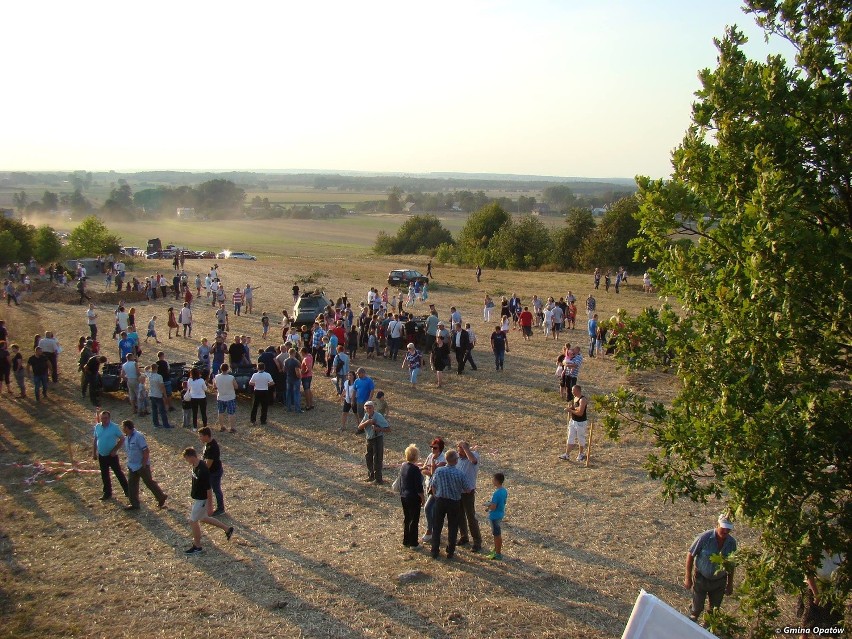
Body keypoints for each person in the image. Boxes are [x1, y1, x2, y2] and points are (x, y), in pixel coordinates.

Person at [181, 447, 233, 555]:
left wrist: (210, 506)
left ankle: (197, 546)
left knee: (193, 521)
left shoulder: (202, 470)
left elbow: (209, 489)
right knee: (203, 518)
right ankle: (227, 529)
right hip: (198, 498)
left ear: (191, 457)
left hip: (202, 500)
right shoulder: (195, 465)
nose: (186, 461)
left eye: (186, 459)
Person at [685, 515, 737, 622]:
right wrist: (688, 577)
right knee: (696, 608)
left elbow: (731, 564)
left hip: (719, 582)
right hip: (701, 579)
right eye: (723, 527)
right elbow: (690, 555)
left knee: (714, 611)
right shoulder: (704, 538)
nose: (726, 531)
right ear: (717, 524)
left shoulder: (731, 543)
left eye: (728, 529)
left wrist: (730, 583)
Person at [122, 419, 168, 511]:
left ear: (127, 427)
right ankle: (134, 504)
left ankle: (161, 497)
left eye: (123, 427)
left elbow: (146, 450)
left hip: (141, 465)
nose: (122, 429)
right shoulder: (127, 438)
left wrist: (143, 463)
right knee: (132, 485)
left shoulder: (138, 436)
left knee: (149, 482)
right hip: (132, 465)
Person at [429, 450, 466, 560]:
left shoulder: (439, 471)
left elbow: (432, 484)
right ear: (455, 461)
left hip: (440, 501)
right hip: (454, 502)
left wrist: (436, 495)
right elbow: (467, 488)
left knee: (437, 526)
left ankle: (434, 550)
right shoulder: (460, 474)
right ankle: (450, 551)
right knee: (453, 527)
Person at [92, 409, 130, 501]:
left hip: (112, 456)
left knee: (118, 473)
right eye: (102, 418)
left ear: (109, 418)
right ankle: (107, 493)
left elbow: (122, 439)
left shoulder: (114, 427)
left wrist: (115, 450)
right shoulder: (97, 427)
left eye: (106, 418)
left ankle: (127, 491)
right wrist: (94, 452)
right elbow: (95, 439)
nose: (104, 420)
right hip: (102, 455)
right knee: (104, 475)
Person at [455, 441, 482, 551]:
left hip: (468, 493)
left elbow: (473, 460)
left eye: (461, 451)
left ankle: (477, 541)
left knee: (471, 517)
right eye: (458, 450)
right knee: (460, 515)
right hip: (458, 492)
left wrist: (466, 448)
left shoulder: (474, 456)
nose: (459, 453)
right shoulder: (458, 460)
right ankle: (464, 536)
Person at [398, 444, 425, 548]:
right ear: (415, 456)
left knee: (407, 519)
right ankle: (414, 543)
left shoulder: (404, 466)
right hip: (413, 498)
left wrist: (420, 469)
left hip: (404, 496)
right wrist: (423, 499)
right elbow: (419, 488)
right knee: (414, 520)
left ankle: (406, 540)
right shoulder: (415, 470)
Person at [357, 400, 390, 484]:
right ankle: (371, 476)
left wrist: (379, 429)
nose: (368, 409)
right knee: (368, 458)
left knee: (377, 459)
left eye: (370, 408)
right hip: (369, 439)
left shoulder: (378, 416)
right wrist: (367, 422)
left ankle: (378, 479)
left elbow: (388, 429)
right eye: (367, 408)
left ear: (373, 408)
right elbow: (359, 427)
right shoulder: (366, 416)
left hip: (377, 438)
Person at [198, 427, 226, 515]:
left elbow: (208, 465)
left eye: (201, 436)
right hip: (212, 471)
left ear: (206, 436)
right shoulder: (208, 444)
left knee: (216, 489)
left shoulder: (212, 447)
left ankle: (220, 508)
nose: (200, 438)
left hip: (214, 472)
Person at [560, 385, 589, 462]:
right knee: (570, 437)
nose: (572, 392)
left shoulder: (583, 400)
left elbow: (580, 413)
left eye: (573, 391)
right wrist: (570, 408)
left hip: (581, 423)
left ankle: (581, 454)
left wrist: (571, 411)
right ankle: (567, 454)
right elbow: (574, 407)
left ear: (578, 391)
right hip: (573, 421)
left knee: (580, 438)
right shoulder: (574, 398)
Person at [485, 472, 507, 560]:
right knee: (497, 534)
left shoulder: (496, 493)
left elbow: (493, 507)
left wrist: (488, 505)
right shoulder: (504, 491)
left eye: (493, 479)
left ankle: (498, 553)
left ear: (497, 481)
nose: (492, 481)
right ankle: (496, 549)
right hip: (500, 513)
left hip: (494, 516)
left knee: (496, 535)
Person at [213, 363, 239, 433]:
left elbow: (214, 386)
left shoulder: (216, 377)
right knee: (231, 413)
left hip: (220, 397)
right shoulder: (231, 377)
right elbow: (236, 386)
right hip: (230, 397)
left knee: (220, 412)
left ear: (220, 369)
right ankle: (232, 428)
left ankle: (222, 427)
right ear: (228, 369)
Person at [147, 363, 172, 429]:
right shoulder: (159, 376)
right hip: (158, 395)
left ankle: (156, 424)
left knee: (154, 410)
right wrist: (165, 395)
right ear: (156, 368)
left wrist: (150, 366)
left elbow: (145, 369)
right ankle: (166, 425)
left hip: (151, 394)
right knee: (162, 411)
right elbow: (162, 387)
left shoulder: (149, 375)